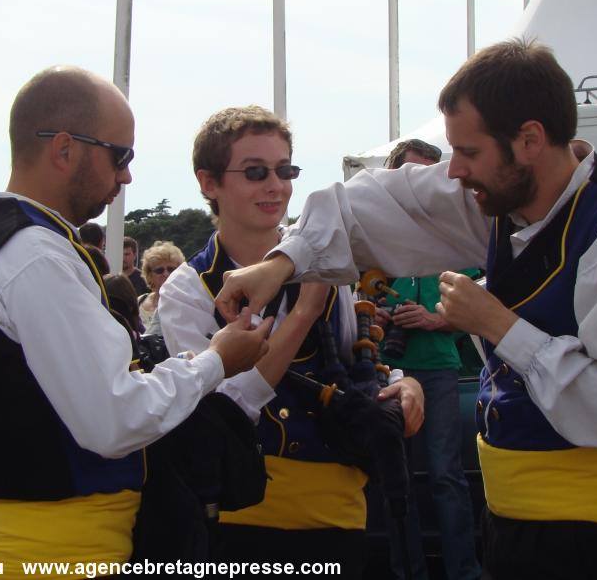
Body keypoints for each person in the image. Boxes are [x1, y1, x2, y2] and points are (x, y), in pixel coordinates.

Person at [214, 39, 597, 580]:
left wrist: (496, 324)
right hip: (514, 519)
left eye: (468, 153)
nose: (453, 172)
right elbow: (369, 205)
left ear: (530, 139)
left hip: (590, 536)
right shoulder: (499, 204)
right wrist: (280, 264)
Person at [0, 66, 271, 579]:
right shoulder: (36, 256)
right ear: (65, 148)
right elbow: (113, 419)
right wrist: (215, 361)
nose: (127, 176)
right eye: (121, 155)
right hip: (47, 557)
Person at [159, 106, 423, 577]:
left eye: (286, 170)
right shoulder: (187, 287)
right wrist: (302, 313)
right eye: (256, 172)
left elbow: (353, 362)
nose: (276, 186)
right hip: (241, 513)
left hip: (337, 511)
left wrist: (402, 385)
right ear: (208, 183)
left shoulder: (328, 270)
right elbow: (219, 413)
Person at [377, 139, 480, 580]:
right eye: (409, 173)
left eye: (428, 172)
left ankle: (464, 573)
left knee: (445, 476)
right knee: (393, 482)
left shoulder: (458, 236)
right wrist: (375, 316)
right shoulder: (373, 236)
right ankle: (407, 572)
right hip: (386, 369)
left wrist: (437, 320)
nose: (419, 183)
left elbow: (482, 302)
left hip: (438, 368)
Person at [137, 240, 185, 328]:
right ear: (149, 275)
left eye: (171, 269)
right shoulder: (139, 302)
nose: (166, 274)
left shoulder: (185, 304)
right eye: (159, 270)